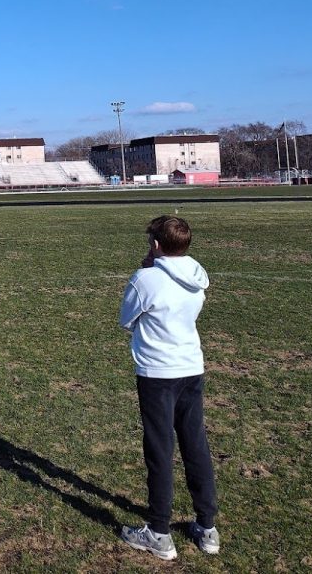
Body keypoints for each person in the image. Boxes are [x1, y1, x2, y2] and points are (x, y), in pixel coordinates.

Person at [119, 215, 220, 560]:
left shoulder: (145, 279)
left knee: (160, 449)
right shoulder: (197, 274)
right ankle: (207, 527)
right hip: (191, 367)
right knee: (196, 444)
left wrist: (147, 271)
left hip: (157, 373)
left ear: (157, 245)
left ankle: (159, 532)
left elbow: (125, 319)